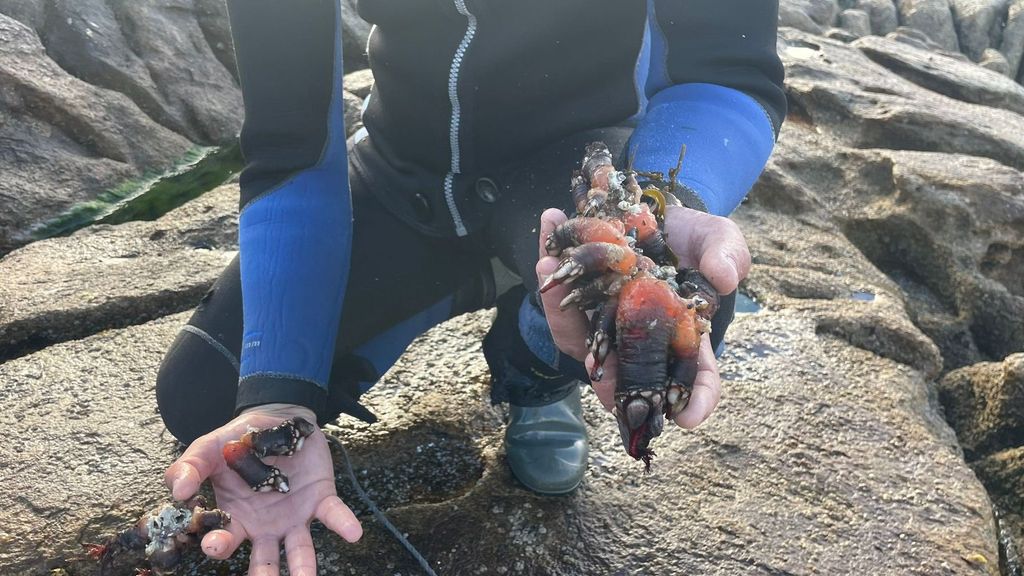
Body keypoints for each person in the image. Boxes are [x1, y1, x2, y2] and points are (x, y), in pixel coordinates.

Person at [155, 1, 786, 574]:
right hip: (404, 179)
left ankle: (535, 368)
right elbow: (290, 147)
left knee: (651, 300)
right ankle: (506, 285)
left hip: (574, 178)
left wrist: (660, 202)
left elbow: (729, 70)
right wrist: (278, 391)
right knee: (212, 396)